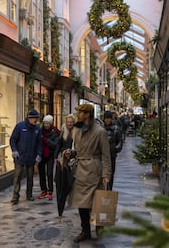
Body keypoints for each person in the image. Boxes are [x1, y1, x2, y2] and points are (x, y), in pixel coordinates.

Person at [65, 103, 111, 243]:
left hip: (93, 170)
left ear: (87, 115)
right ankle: (85, 230)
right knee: (81, 202)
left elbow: (106, 155)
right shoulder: (77, 130)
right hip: (80, 170)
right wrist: (70, 153)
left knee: (95, 202)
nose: (77, 115)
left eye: (80, 113)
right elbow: (78, 150)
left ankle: (98, 224)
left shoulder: (100, 132)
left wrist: (106, 175)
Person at [9, 109, 42, 205]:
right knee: (17, 176)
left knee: (30, 176)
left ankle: (29, 194)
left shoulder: (37, 129)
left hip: (31, 157)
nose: (36, 120)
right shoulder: (20, 126)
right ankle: (15, 196)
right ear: (29, 118)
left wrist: (39, 154)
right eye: (34, 118)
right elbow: (13, 140)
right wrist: (14, 151)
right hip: (20, 156)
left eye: (37, 118)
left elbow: (39, 143)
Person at [38, 115, 60, 201]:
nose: (46, 125)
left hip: (50, 155)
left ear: (51, 124)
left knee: (50, 173)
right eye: (45, 123)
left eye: (48, 123)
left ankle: (50, 191)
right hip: (41, 155)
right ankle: (44, 190)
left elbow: (55, 145)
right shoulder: (40, 131)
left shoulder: (55, 132)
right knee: (41, 173)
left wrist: (45, 140)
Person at [103, 111, 122, 190]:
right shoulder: (101, 128)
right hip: (102, 155)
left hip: (111, 155)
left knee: (110, 173)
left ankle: (109, 189)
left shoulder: (116, 128)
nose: (107, 120)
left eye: (109, 118)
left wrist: (114, 149)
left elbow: (120, 142)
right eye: (106, 119)